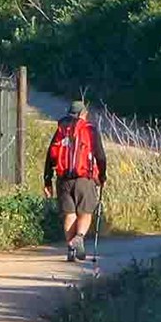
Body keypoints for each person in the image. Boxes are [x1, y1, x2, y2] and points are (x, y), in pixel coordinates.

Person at [44, 100, 107, 261]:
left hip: (63, 179)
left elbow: (50, 156)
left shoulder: (61, 129)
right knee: (85, 213)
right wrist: (102, 176)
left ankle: (71, 250)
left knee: (69, 214)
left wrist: (47, 181)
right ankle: (78, 238)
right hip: (84, 179)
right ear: (83, 114)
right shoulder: (90, 130)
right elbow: (100, 156)